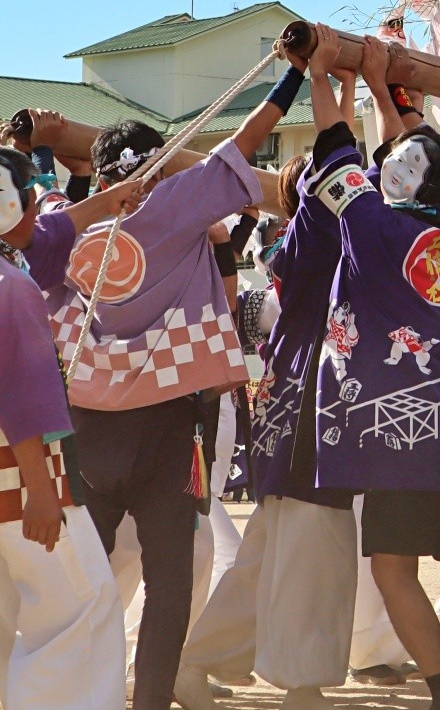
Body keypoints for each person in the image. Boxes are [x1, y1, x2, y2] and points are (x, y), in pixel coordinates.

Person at [20, 56, 299, 710]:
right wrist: (289, 73)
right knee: (170, 579)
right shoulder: (172, 207)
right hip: (168, 427)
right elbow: (248, 143)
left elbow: (35, 198)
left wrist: (31, 146)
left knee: (82, 579)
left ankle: (70, 692)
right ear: (151, 171)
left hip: (83, 430)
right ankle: (147, 699)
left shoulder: (64, 218)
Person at [286, 27, 440, 709]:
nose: (393, 164)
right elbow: (406, 156)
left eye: (401, 162)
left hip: (399, 429)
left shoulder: (374, 226)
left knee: (392, 567)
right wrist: (382, 89)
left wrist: (320, 73)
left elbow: (334, 149)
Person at [174, 89, 361, 710]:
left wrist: (345, 90)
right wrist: (325, 78)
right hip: (312, 408)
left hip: (295, 401)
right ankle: (301, 683)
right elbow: (342, 156)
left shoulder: (315, 232)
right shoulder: (317, 229)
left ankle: (199, 660)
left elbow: (344, 153)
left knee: (269, 551)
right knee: (313, 548)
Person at [0, 147, 128, 710]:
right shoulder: (11, 286)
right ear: (17, 205)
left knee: (7, 618)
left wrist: (106, 200)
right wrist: (42, 491)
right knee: (81, 611)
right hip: (19, 478)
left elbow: (47, 232)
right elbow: (20, 393)